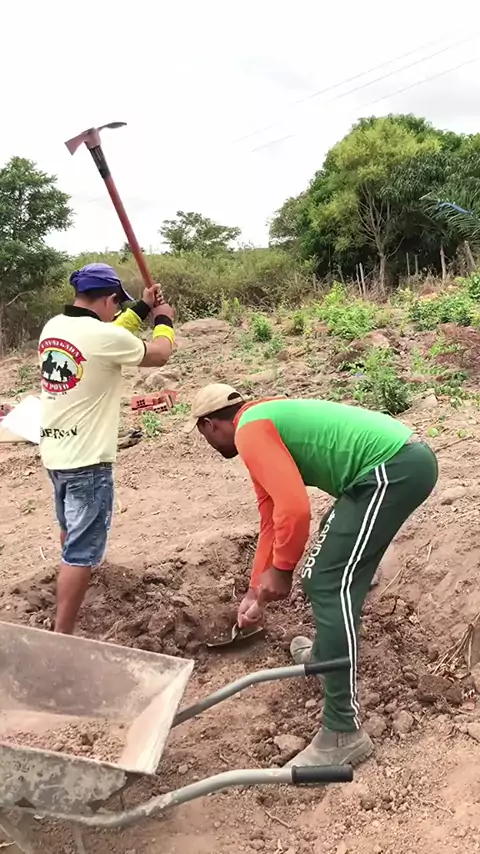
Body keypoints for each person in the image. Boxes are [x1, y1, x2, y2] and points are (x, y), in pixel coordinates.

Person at [184, 384, 438, 768]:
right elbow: (271, 517)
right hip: (389, 469)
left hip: (393, 470)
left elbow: (294, 509)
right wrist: (255, 591)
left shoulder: (250, 431)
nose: (206, 441)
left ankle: (342, 731)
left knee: (327, 581)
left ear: (208, 425)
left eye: (201, 434)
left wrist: (282, 570)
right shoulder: (259, 419)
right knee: (330, 557)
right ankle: (325, 657)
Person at [39, 262, 175, 635]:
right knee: (81, 552)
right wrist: (163, 319)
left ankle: (69, 596)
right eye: (117, 304)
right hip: (88, 462)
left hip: (56, 454)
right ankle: (62, 635)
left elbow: (111, 334)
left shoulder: (55, 328)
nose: (117, 311)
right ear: (108, 299)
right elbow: (159, 354)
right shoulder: (103, 337)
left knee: (71, 532)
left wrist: (142, 307)